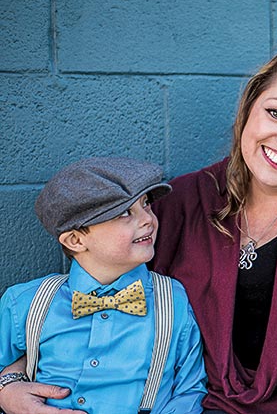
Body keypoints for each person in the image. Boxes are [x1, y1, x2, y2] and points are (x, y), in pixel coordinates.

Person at [1, 44, 277, 413]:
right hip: (202, 403)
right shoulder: (175, 209)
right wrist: (9, 383)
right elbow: (89, 304)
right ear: (249, 109)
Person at [0, 157, 207, 413]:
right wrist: (5, 392)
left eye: (146, 205)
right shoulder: (25, 303)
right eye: (124, 213)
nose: (147, 220)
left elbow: (190, 389)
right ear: (76, 240)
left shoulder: (172, 300)